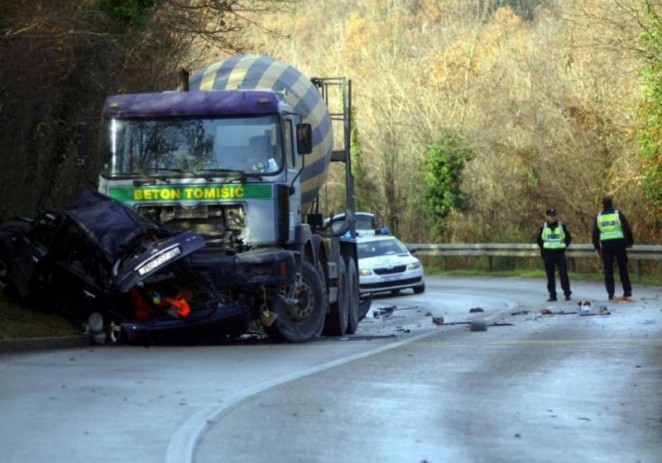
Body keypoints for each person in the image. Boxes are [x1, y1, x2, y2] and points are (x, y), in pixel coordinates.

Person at [592, 195, 634, 301]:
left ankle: (611, 294)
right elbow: (626, 228)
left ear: (603, 205)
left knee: (608, 270)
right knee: (622, 268)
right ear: (611, 204)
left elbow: (595, 234)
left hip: (606, 245)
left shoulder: (599, 217)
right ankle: (627, 291)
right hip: (619, 244)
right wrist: (630, 242)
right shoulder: (617, 214)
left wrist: (597, 247)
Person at [537, 208, 572, 302]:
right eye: (551, 215)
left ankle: (567, 293)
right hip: (548, 254)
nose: (553, 217)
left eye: (554, 215)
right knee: (550, 275)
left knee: (563, 274)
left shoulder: (562, 226)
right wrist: (543, 250)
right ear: (547, 216)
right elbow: (539, 240)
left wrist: (564, 246)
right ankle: (552, 295)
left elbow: (568, 238)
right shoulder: (543, 227)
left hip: (560, 254)